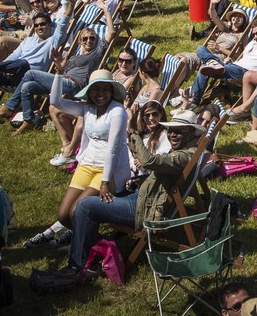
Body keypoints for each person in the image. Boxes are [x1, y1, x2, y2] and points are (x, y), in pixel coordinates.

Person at [57, 109, 204, 283]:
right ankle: (90, 247)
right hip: (140, 196)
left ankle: (79, 264)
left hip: (140, 209)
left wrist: (135, 136)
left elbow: (150, 161)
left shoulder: (183, 157)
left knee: (86, 206)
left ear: (192, 132)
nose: (173, 134)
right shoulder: (190, 151)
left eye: (180, 131)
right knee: (105, 194)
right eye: (171, 130)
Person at [24, 69, 131, 248]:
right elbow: (56, 102)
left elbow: (112, 147)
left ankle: (85, 244)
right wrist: (58, 73)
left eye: (105, 89)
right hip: (87, 165)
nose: (100, 94)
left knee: (77, 211)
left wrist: (105, 182)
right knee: (64, 215)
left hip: (108, 171)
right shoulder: (86, 109)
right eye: (95, 89)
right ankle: (83, 236)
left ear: (112, 92)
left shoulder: (117, 111)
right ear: (89, 92)